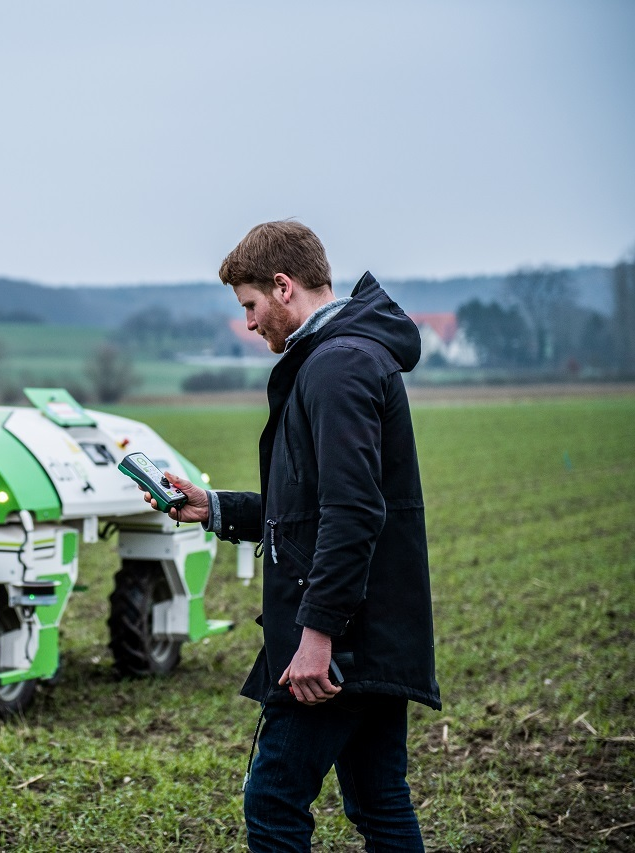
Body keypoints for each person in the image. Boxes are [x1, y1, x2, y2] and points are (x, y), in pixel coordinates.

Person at [140, 220, 441, 851]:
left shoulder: (337, 367)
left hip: (340, 648)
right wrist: (213, 508)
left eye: (250, 306)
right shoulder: (343, 357)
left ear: (283, 287)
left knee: (274, 801)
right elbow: (310, 507)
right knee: (380, 802)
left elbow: (354, 511)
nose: (249, 324)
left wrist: (317, 637)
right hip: (372, 633)